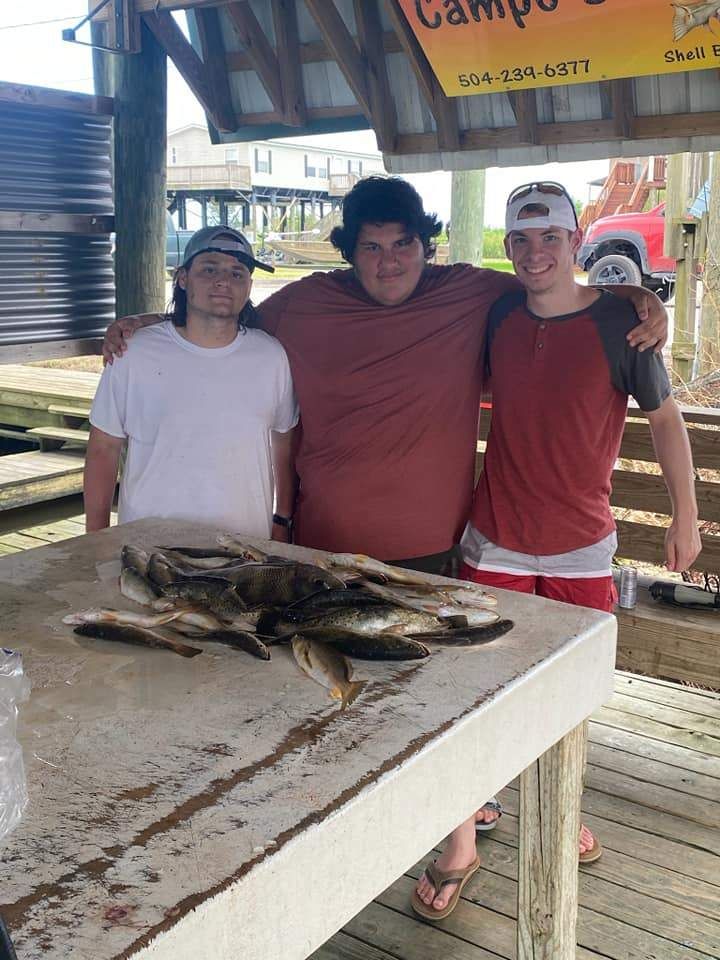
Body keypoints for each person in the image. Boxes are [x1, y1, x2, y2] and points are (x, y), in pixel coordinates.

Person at [102, 176, 668, 576]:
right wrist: (149, 321)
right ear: (349, 253)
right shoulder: (304, 304)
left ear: (426, 246)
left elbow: (554, 287)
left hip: (434, 554)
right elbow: (221, 316)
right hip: (321, 549)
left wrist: (634, 295)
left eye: (403, 244)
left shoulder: (470, 292)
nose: (388, 261)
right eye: (370, 247)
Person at [412, 181, 701, 921]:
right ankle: (463, 830)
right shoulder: (498, 312)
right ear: (507, 247)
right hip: (494, 541)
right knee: (472, 688)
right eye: (521, 239)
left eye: (551, 238)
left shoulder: (624, 324)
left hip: (581, 548)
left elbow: (665, 420)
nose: (535, 252)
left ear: (576, 240)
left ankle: (559, 801)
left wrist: (686, 516)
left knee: (568, 692)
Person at [85, 226, 298, 537]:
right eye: (209, 269)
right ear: (183, 278)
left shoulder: (272, 356)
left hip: (245, 548)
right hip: (149, 547)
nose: (223, 281)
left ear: (249, 286)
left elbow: (284, 441)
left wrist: (282, 518)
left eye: (237, 273)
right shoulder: (132, 352)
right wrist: (96, 538)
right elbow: (103, 448)